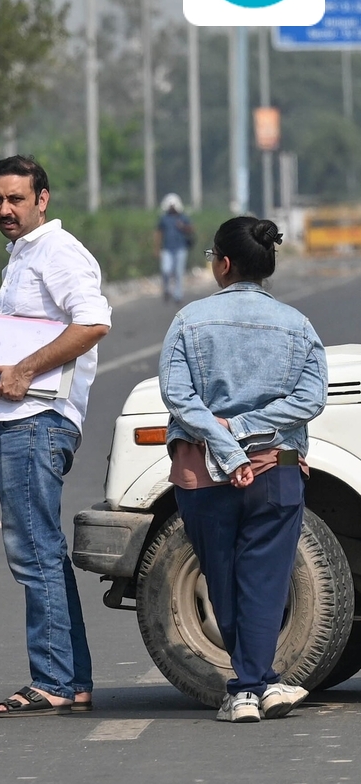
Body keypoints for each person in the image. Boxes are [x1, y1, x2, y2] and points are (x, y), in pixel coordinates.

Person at [159, 217, 326, 723]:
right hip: (277, 469)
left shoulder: (189, 320)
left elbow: (177, 395)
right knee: (265, 581)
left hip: (204, 474)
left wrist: (225, 438)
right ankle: (262, 685)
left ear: (224, 264)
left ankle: (249, 689)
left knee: (222, 577)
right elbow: (311, 399)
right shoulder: (298, 325)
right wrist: (250, 429)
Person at [0, 156, 111, 718]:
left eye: (17, 199)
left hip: (36, 419)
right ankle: (71, 680)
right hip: (22, 419)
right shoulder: (24, 254)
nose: (6, 210)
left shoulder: (57, 251)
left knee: (33, 549)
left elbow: (93, 321)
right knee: (42, 549)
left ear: (42, 199)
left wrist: (26, 369)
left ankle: (52, 678)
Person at [156, 193, 195, 303]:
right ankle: (166, 289)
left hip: (180, 248)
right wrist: (157, 248)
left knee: (178, 272)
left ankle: (178, 295)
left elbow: (191, 229)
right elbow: (158, 233)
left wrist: (183, 227)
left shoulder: (183, 217)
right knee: (166, 270)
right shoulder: (164, 218)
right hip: (167, 249)